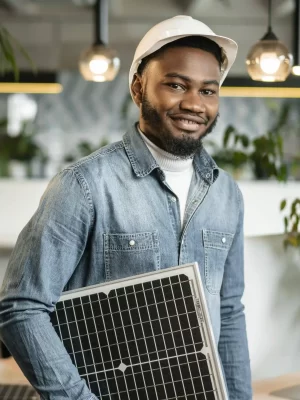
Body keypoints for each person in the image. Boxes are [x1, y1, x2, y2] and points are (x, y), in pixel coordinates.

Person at [0, 15, 252, 400]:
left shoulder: (226, 193)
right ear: (138, 89)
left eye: (208, 91)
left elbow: (230, 312)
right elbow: (21, 307)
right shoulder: (84, 185)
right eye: (175, 84)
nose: (193, 104)